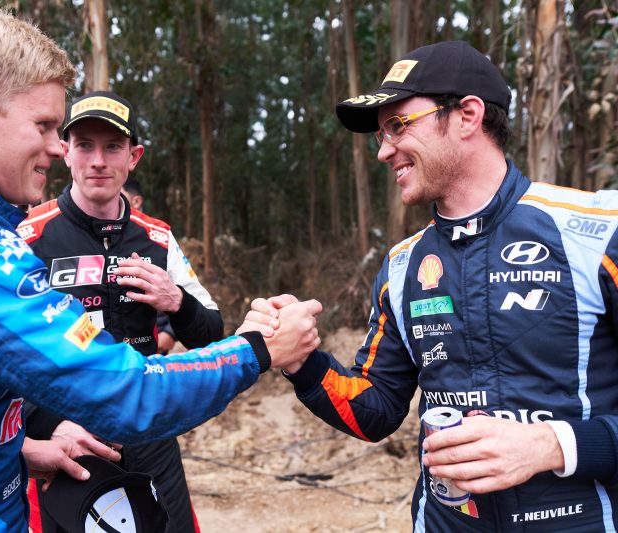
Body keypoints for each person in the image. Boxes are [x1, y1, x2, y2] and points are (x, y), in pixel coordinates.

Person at [0, 5, 322, 531]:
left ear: (133, 156)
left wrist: (21, 450)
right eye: (45, 126)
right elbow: (127, 392)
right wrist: (259, 348)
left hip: (5, 477)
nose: (56, 147)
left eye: (109, 146)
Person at [243, 40, 618, 531]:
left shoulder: (597, 234)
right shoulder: (402, 267)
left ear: (467, 116)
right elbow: (375, 410)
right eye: (380, 135)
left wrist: (555, 446)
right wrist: (301, 360)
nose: (384, 151)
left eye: (398, 126)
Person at [17, 91, 222, 532]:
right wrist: (46, 425)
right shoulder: (28, 238)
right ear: (65, 152)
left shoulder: (158, 239)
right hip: (68, 441)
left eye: (112, 147)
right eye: (85, 146)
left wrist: (177, 302)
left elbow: (212, 335)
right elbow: (1, 356)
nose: (98, 161)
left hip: (150, 434)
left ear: (133, 157)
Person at [121, 177, 179, 354]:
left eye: (119, 194)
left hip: (155, 344)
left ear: (136, 201)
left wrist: (169, 333)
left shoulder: (158, 236)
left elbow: (182, 291)